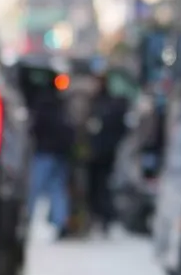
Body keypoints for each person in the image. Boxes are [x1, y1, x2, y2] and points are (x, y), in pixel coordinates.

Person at [28, 72, 75, 237]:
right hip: (60, 153)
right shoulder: (62, 103)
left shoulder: (42, 104)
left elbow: (35, 128)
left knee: (35, 188)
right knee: (58, 189)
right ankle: (61, 222)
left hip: (44, 152)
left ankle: (26, 219)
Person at [84, 73, 129, 234]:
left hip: (104, 153)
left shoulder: (109, 104)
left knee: (102, 186)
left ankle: (104, 217)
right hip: (95, 153)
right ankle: (99, 217)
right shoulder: (94, 102)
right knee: (95, 186)